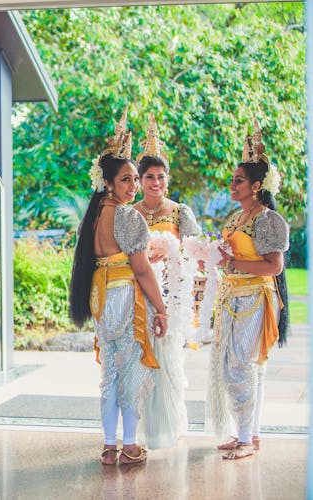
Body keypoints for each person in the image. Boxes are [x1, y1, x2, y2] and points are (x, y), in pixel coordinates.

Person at [69, 111, 168, 465]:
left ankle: (109, 446)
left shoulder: (92, 217)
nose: (134, 186)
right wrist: (162, 308)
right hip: (124, 297)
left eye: (134, 180)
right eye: (127, 180)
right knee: (131, 368)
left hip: (99, 295)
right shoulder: (128, 216)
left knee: (109, 372)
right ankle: (129, 444)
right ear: (108, 183)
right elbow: (141, 270)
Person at [205, 119, 289, 460]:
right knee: (231, 365)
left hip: (255, 297)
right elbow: (231, 258)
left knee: (242, 364)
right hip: (232, 298)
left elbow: (275, 266)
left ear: (256, 185)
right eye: (233, 179)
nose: (232, 184)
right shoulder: (235, 217)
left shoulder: (267, 219)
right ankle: (246, 434)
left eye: (238, 180)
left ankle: (245, 439)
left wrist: (234, 265)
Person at [133, 115, 202, 450]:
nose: (155, 182)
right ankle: (143, 428)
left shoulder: (179, 213)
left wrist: (172, 254)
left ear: (167, 180)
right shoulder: (129, 213)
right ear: (140, 180)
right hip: (136, 297)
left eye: (161, 176)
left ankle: (168, 426)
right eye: (149, 176)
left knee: (168, 359)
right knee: (140, 360)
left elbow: (196, 254)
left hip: (171, 299)